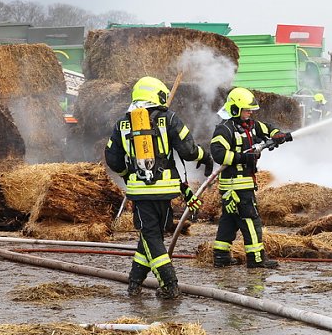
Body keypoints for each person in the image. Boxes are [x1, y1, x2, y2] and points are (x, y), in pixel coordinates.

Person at [104, 76, 213, 299]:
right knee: (152, 236)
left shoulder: (122, 124)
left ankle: (167, 285)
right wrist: (205, 157)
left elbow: (113, 160)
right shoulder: (169, 118)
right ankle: (143, 283)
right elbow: (189, 150)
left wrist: (128, 176)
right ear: (157, 95)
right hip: (166, 189)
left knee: (150, 235)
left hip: (140, 192)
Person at [209, 87, 293, 269]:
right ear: (234, 109)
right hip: (235, 185)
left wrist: (277, 134)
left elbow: (268, 129)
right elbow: (218, 154)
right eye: (247, 110)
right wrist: (243, 157)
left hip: (242, 183)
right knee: (250, 219)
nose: (250, 113)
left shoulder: (251, 125)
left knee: (229, 220)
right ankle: (256, 259)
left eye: (251, 110)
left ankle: (221, 256)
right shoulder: (225, 129)